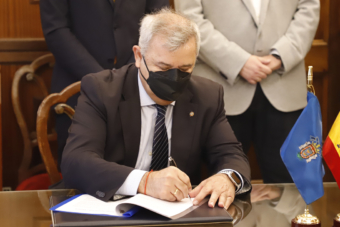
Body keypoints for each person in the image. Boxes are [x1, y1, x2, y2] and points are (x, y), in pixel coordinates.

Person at [61, 9, 251, 209]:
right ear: (138, 56)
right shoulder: (102, 90)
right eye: (163, 68)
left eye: (184, 69)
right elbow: (76, 161)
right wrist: (145, 181)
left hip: (178, 220)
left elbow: (231, 154)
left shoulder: (207, 96)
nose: (174, 79)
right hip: (109, 214)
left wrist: (228, 178)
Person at [175, 0, 320, 183]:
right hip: (220, 89)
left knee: (289, 183)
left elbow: (308, 8)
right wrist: (238, 62)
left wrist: (281, 55)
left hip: (284, 86)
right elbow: (190, 18)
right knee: (218, 181)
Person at [40, 0, 169, 165]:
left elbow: (160, 22)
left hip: (139, 85)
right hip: (77, 88)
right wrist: (104, 79)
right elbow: (56, 30)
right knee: (80, 172)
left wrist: (130, 71)